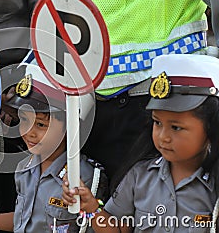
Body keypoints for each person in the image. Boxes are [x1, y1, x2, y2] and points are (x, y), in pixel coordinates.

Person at [56, 0, 219, 180]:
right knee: (99, 208)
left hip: (166, 100)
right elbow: (62, 9)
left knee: (165, 205)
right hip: (92, 105)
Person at [62, 54, 219, 232]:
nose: (163, 137)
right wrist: (91, 207)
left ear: (211, 127)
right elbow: (119, 229)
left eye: (176, 127)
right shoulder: (139, 176)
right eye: (157, 123)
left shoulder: (214, 184)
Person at [0, 61, 108, 232]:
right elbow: (24, 220)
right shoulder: (25, 167)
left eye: (40, 125)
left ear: (70, 126)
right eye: (24, 120)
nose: (29, 132)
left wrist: (92, 208)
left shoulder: (85, 176)